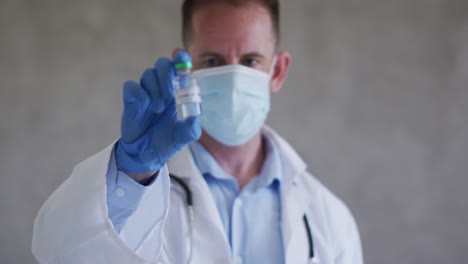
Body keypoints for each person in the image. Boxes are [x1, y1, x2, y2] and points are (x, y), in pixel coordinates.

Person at [32, 0, 363, 263]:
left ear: (277, 71)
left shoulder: (328, 218)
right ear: (184, 69)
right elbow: (57, 253)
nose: (233, 79)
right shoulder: (137, 188)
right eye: (213, 61)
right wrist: (132, 171)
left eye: (250, 62)